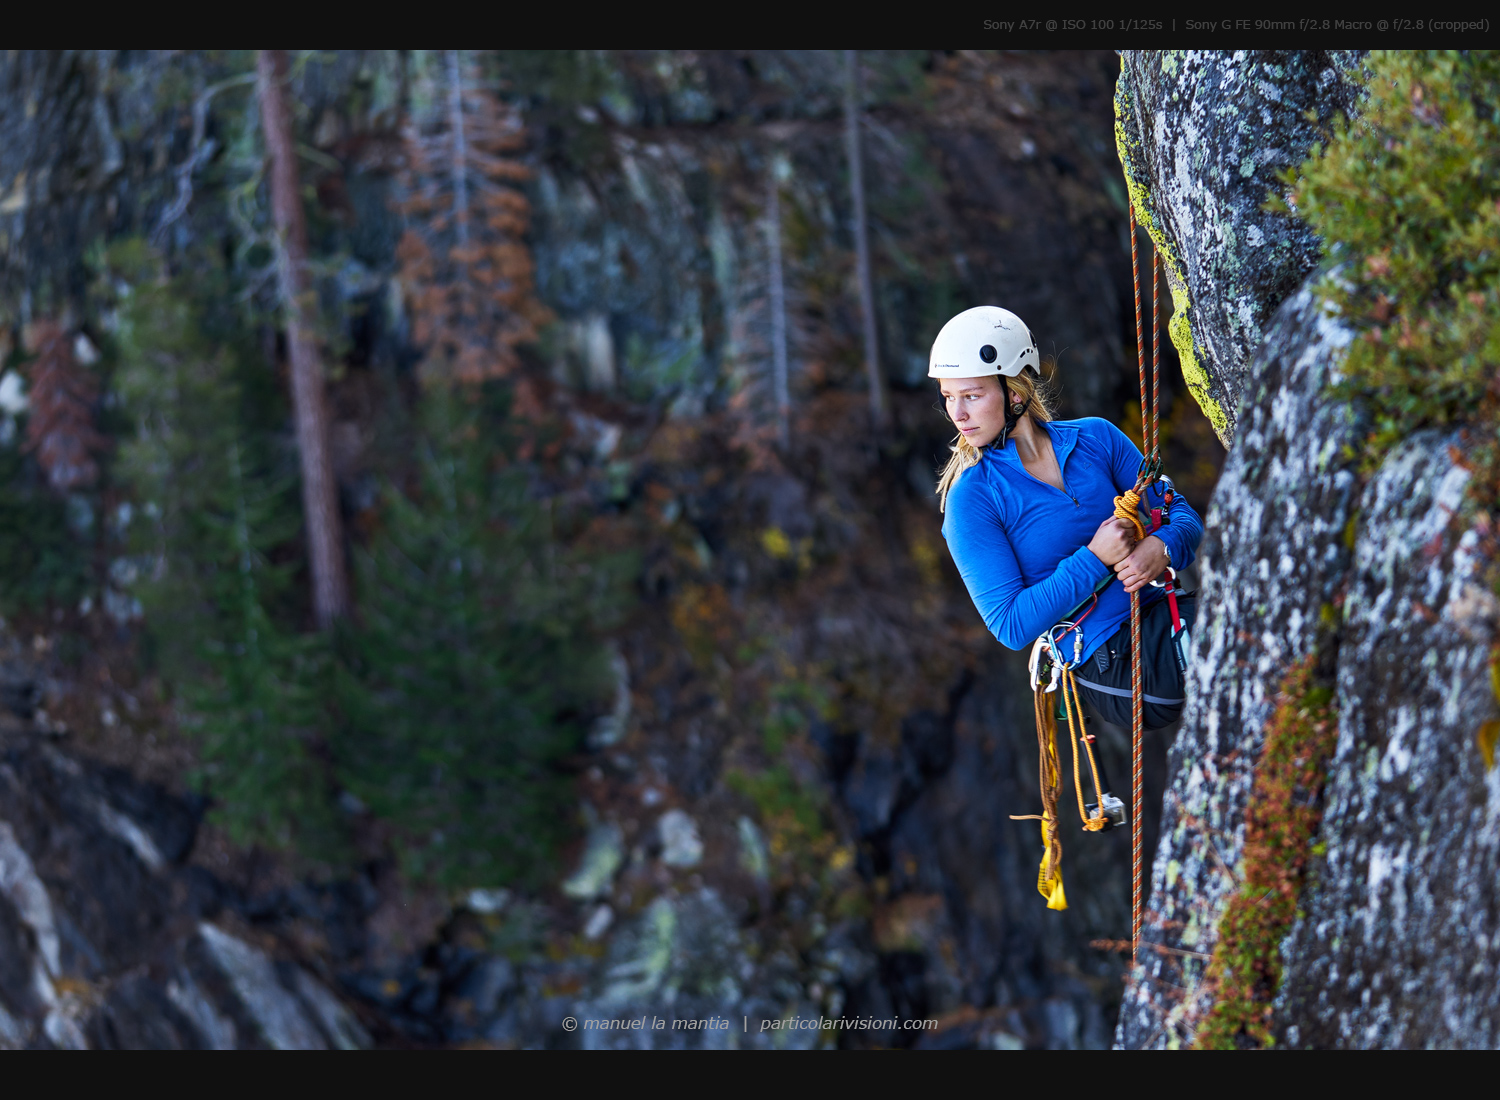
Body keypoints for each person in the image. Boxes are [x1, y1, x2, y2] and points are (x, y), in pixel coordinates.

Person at [932, 306, 1203, 729]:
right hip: (1113, 661)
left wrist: (1162, 547)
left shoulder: (1096, 437)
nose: (958, 414)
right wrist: (1096, 557)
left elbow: (1181, 514)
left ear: (1015, 393)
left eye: (971, 395)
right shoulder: (972, 499)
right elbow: (1010, 624)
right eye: (949, 397)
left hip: (1165, 610)